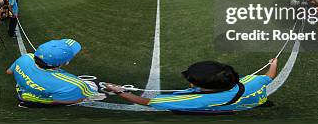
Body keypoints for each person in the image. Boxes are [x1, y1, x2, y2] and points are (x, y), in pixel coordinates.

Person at [105, 58, 278, 113]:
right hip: (255, 101)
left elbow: (147, 102)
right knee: (259, 102)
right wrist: (273, 63)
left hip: (226, 107)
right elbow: (269, 77)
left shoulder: (192, 100)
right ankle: (263, 103)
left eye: (192, 80)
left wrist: (120, 91)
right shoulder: (251, 80)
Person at [6, 39, 98, 107]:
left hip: (22, 88)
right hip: (41, 97)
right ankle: (37, 99)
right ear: (64, 62)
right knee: (92, 87)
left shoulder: (26, 57)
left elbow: (9, 71)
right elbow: (81, 98)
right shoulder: (75, 84)